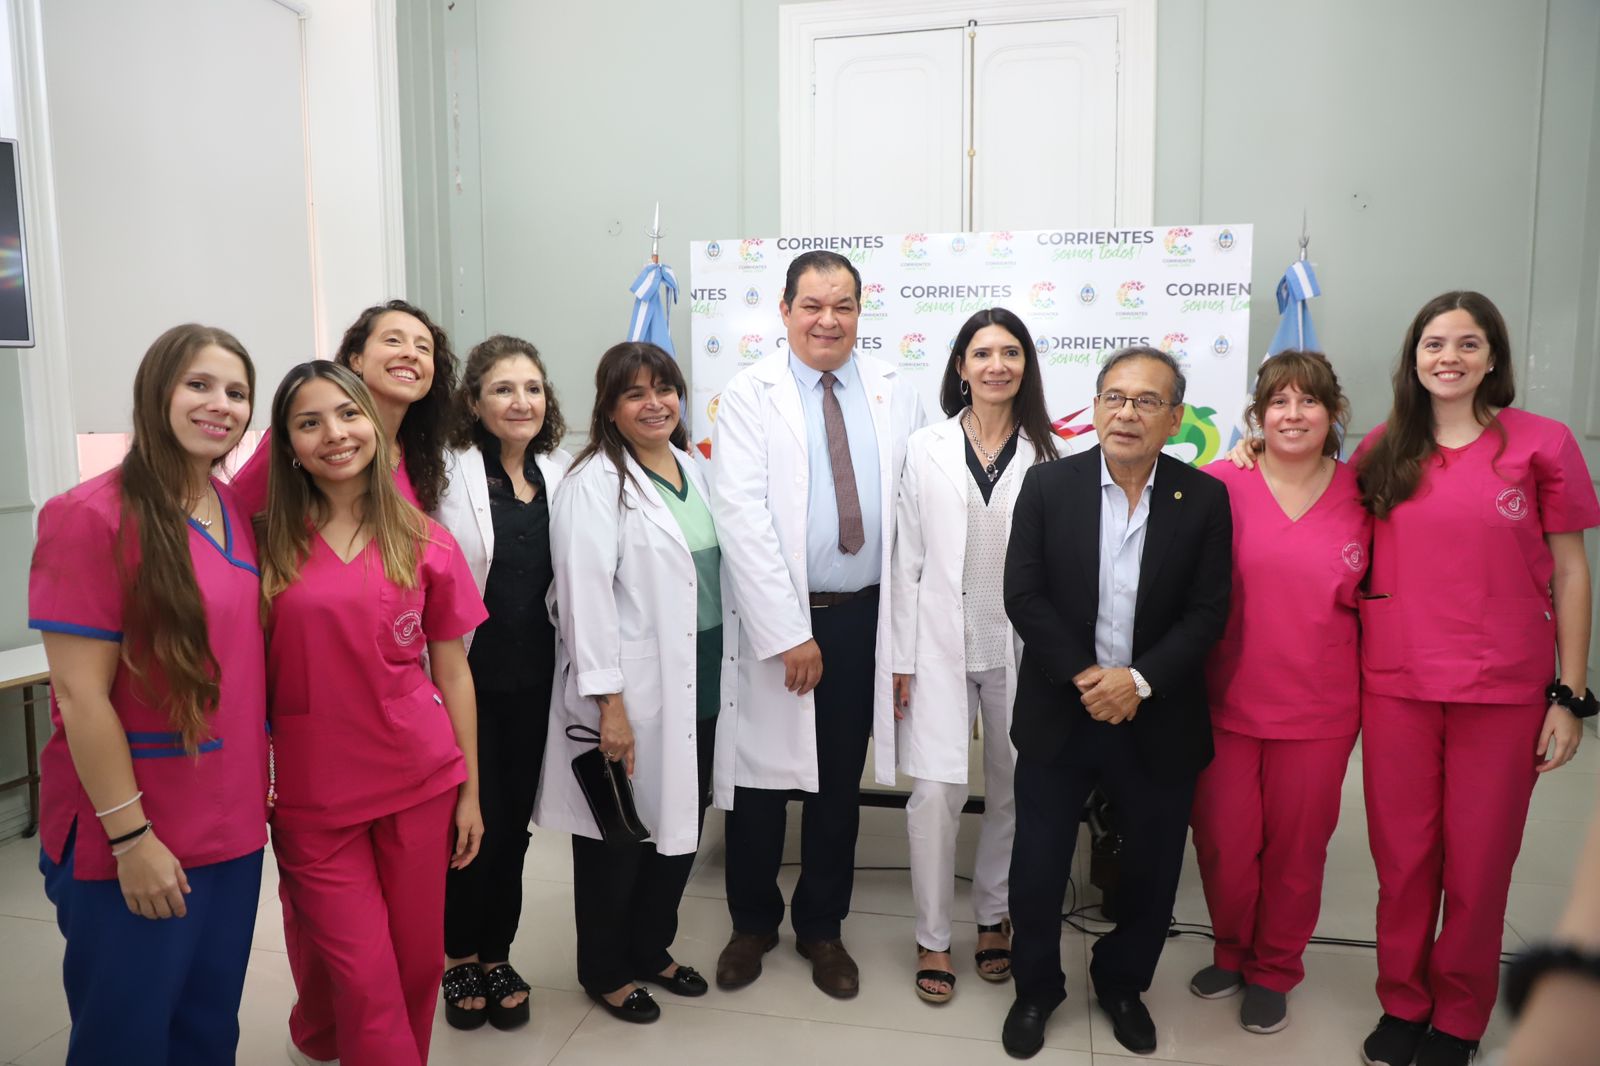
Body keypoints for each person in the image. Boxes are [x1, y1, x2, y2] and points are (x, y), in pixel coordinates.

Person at [1345, 292, 1597, 1066]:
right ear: (1413, 358)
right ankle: (1403, 1001)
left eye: (1467, 343)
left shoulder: (1543, 444)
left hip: (1504, 688)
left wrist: (1570, 695)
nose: (1448, 357)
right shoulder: (1383, 448)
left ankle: (1459, 1012)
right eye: (1433, 343)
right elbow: (1322, 515)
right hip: (1398, 683)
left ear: (1493, 358)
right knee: (1403, 859)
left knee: (1480, 864)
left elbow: (1570, 571)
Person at [30, 324, 267, 1065]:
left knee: (208, 1027)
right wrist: (131, 840)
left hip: (231, 823)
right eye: (199, 384)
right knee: (126, 1036)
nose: (220, 404)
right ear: (155, 391)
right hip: (135, 826)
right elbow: (79, 696)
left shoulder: (230, 508)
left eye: (237, 392)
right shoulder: (89, 515)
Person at [1000, 345, 1232, 1058]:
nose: (1127, 413)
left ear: (1174, 418)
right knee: (1038, 866)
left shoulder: (1204, 499)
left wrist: (1137, 681)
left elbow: (1207, 612)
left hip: (1156, 714)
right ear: (1096, 407)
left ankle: (1123, 983)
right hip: (1061, 709)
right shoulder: (1049, 486)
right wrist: (1088, 677)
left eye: (1147, 401)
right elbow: (1024, 595)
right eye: (1114, 398)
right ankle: (1036, 989)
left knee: (1153, 871)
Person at [710, 250, 925, 999]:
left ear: (860, 312)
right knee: (761, 782)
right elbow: (740, 518)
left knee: (838, 781)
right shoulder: (749, 395)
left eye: (843, 306)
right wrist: (787, 632)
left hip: (863, 618)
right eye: (812, 305)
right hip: (779, 621)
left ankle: (822, 927)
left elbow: (915, 509)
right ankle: (751, 923)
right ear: (785, 310)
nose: (827, 320)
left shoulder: (895, 391)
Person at [259, 361, 486, 1066]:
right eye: (309, 422)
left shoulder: (425, 540)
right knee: (364, 974)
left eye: (348, 414)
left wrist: (471, 791)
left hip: (419, 779)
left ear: (376, 429)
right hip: (314, 795)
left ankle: (331, 1039)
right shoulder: (263, 542)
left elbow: (453, 671)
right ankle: (328, 1034)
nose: (334, 434)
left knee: (417, 963)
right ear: (288, 445)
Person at [532, 342, 736, 1023]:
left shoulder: (692, 466)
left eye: (665, 389)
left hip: (702, 681)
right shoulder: (593, 483)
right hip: (635, 692)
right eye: (635, 393)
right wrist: (610, 706)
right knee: (617, 837)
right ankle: (605, 969)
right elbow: (583, 601)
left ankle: (650, 947)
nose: (655, 403)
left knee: (682, 826)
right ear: (609, 407)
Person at [1187, 350, 1370, 1035]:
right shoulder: (1218, 483)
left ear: (1334, 412)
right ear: (1258, 416)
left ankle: (1274, 969)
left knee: (1297, 851)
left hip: (1321, 709)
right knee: (1224, 844)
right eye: (1279, 402)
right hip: (1224, 702)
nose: (1293, 415)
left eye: (1309, 400)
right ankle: (1232, 951)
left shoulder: (1367, 494)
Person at [889, 306, 1058, 1004]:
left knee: (1014, 785)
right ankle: (932, 935)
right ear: (960, 366)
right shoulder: (924, 446)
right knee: (934, 794)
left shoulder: (1050, 453)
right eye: (982, 353)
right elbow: (906, 559)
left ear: (1026, 366)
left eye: (1010, 353)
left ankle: (993, 916)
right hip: (937, 645)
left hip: (1019, 648)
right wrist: (900, 658)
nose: (996, 365)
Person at [434, 335, 571, 1031]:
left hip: (537, 679)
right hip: (464, 677)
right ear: (474, 402)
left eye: (533, 388)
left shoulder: (560, 472)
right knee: (468, 821)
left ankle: (496, 953)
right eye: (503, 389)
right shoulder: (446, 474)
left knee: (513, 824)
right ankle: (458, 955)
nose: (521, 401)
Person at [230, 298, 457, 515]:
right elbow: (235, 514)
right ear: (356, 360)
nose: (411, 354)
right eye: (393, 341)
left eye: (423, 348)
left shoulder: (417, 455)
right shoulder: (309, 436)